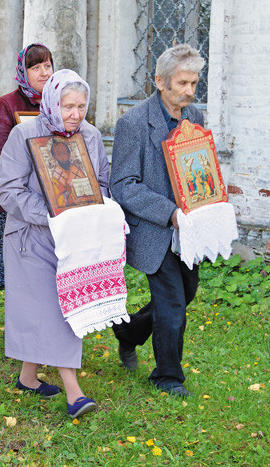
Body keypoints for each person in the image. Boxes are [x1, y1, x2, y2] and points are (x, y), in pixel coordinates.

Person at [0, 69, 109, 419]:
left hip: (73, 237)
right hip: (31, 235)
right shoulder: (25, 133)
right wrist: (52, 212)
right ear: (51, 102)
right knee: (54, 307)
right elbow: (8, 191)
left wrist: (93, 204)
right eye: (67, 106)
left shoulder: (90, 135)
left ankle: (28, 377)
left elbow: (102, 180)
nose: (75, 114)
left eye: (81, 106)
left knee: (58, 305)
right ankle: (74, 392)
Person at [110, 44, 206, 398]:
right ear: (160, 82)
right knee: (172, 305)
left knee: (188, 292)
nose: (190, 91)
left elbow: (201, 168)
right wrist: (169, 213)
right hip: (154, 229)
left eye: (194, 83)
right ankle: (168, 378)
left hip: (189, 230)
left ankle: (128, 332)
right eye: (183, 83)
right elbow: (122, 185)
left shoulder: (193, 116)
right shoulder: (132, 123)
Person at [0, 43, 54, 291]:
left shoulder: (56, 106)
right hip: (10, 203)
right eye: (36, 67)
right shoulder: (6, 106)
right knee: (16, 271)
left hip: (51, 199)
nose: (44, 73)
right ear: (23, 72)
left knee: (44, 271)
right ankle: (18, 324)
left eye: (48, 65)